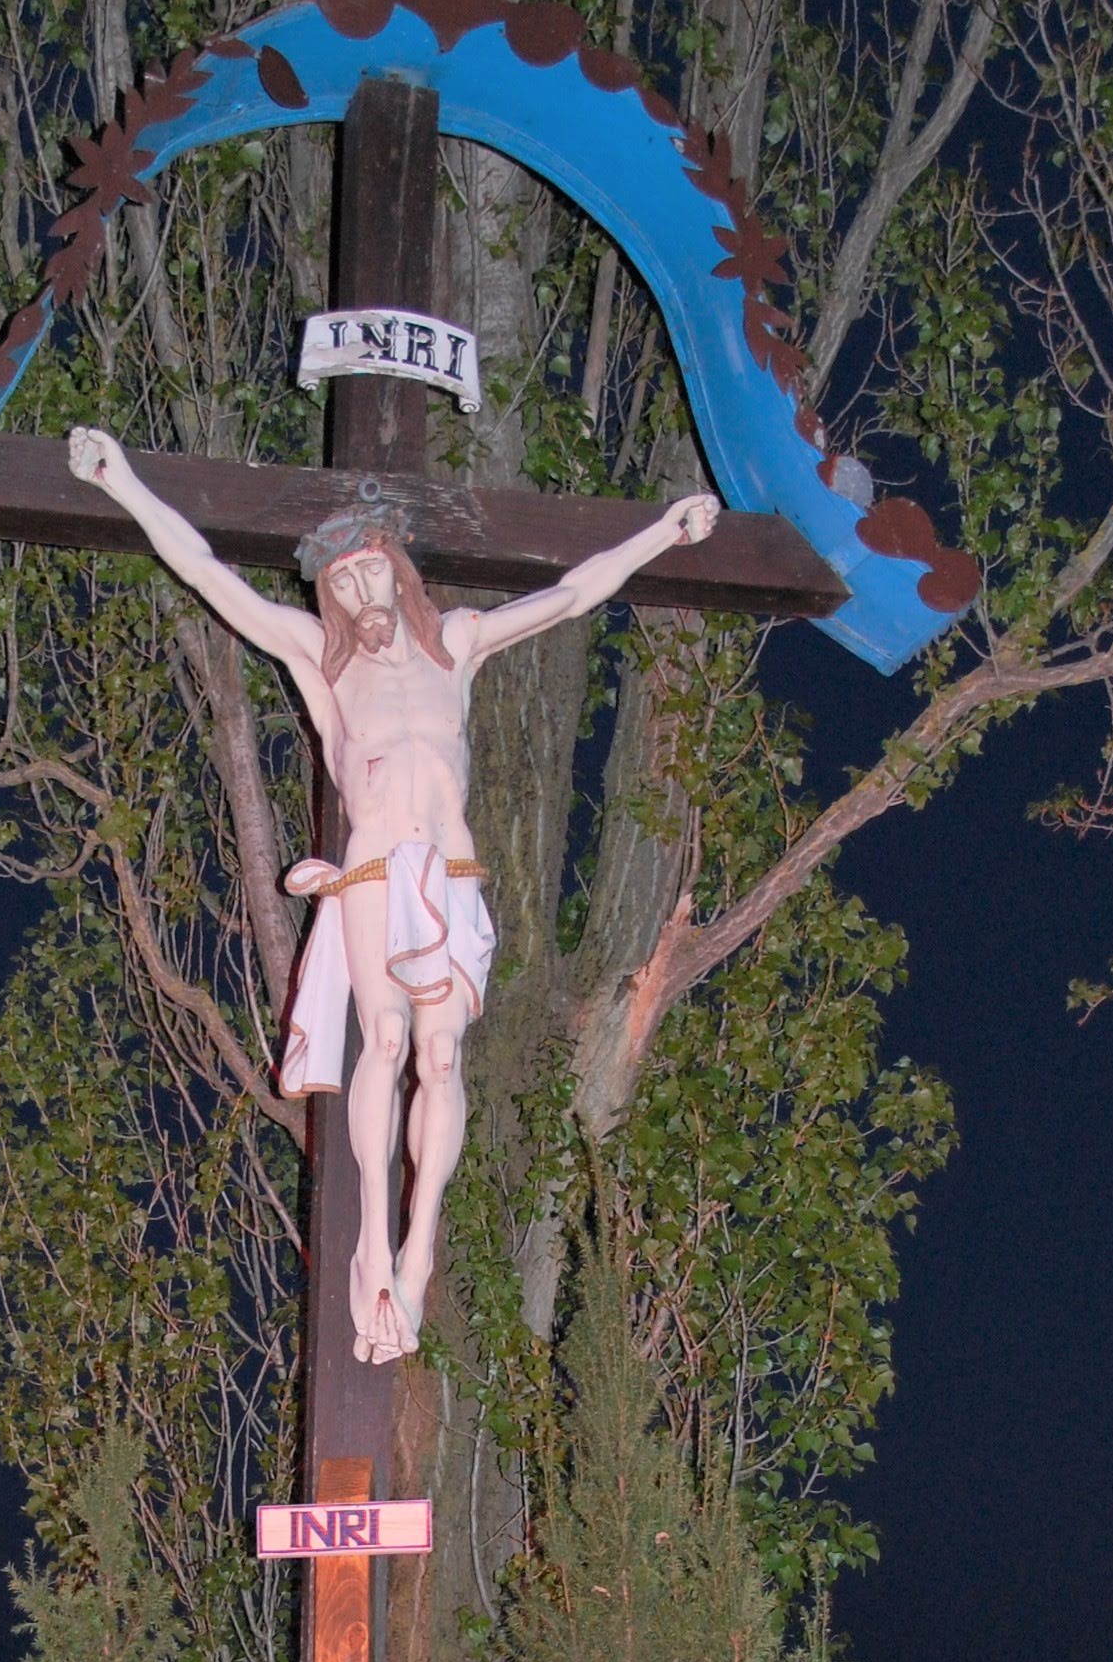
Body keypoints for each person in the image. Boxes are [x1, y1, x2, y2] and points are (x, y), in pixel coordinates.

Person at [66, 425, 718, 1362]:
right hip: (373, 868)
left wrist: (664, 532)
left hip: (449, 870)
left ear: (399, 573)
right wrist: (122, 481)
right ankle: (373, 1240)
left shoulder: (458, 643)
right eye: (341, 584)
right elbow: (207, 573)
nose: (360, 594)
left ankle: (418, 1253)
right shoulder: (319, 660)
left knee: (442, 1056)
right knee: (383, 1037)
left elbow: (575, 594)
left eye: (372, 572)